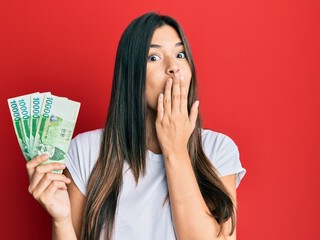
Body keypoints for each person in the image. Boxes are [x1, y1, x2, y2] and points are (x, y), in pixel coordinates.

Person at [26, 12, 246, 240]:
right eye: (154, 57)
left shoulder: (218, 149)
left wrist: (176, 149)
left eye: (180, 54)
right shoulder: (85, 151)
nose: (174, 67)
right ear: (132, 75)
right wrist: (61, 220)